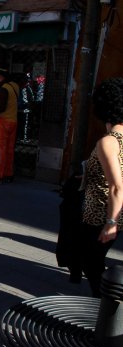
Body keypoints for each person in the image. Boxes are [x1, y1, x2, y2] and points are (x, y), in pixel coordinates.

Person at [79, 77, 123, 297]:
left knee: (91, 261)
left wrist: (111, 223)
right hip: (114, 210)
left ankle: (105, 305)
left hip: (101, 212)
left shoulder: (109, 141)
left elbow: (117, 186)